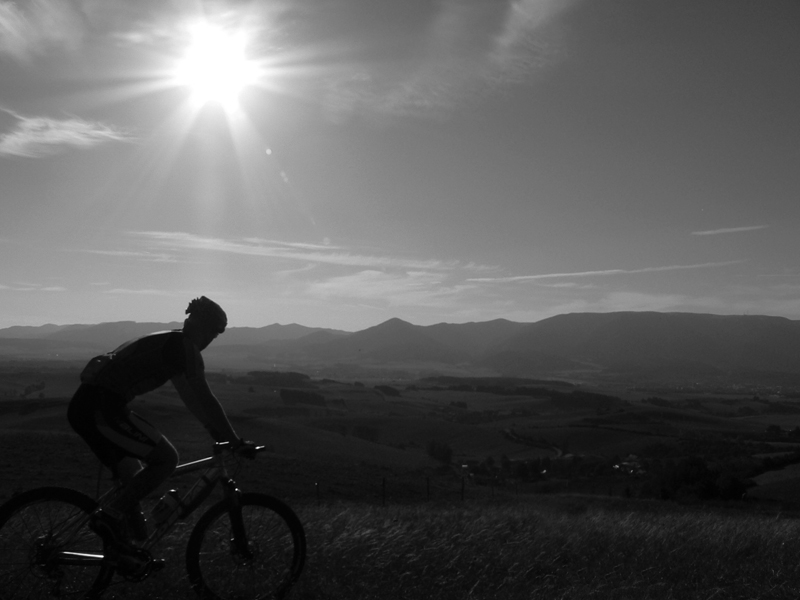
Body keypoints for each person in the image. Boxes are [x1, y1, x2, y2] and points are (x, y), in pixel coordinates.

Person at [67, 296, 250, 549]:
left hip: (89, 405)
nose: (210, 340)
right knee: (166, 459)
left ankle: (127, 550)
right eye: (212, 332)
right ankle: (109, 517)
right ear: (198, 325)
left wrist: (213, 430)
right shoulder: (184, 348)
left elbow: (189, 396)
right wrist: (234, 440)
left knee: (133, 478)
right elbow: (205, 398)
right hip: (102, 408)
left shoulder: (171, 341)